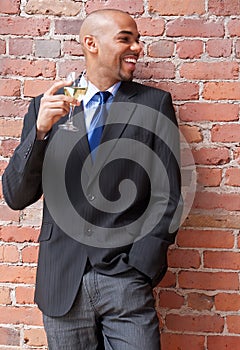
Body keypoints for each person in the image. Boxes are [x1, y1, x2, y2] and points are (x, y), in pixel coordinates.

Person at [2, 9, 182, 350]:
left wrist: (141, 267)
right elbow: (16, 195)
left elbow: (168, 195)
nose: (138, 48)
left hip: (125, 278)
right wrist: (39, 133)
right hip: (62, 280)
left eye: (138, 39)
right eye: (125, 39)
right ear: (91, 43)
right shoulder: (49, 106)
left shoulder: (154, 103)